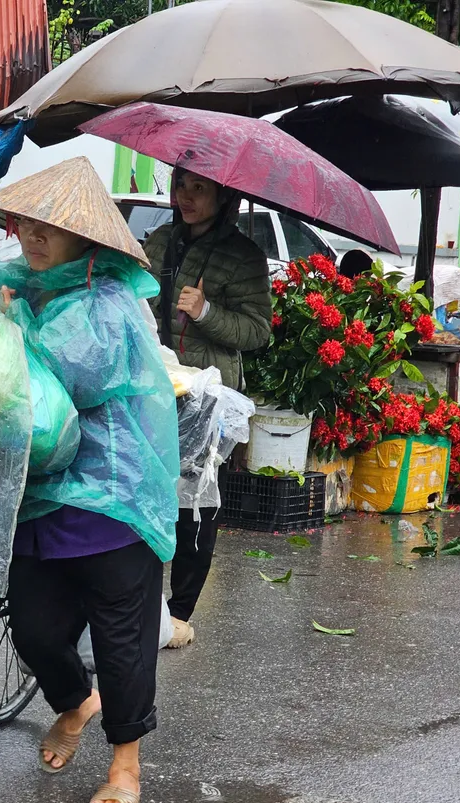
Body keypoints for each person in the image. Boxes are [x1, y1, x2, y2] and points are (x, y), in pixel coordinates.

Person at [0, 157, 180, 803]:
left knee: (121, 639)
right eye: (26, 223)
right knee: (32, 630)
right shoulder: (16, 285)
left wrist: (6, 329)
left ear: (85, 239)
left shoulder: (108, 302)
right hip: (41, 494)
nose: (32, 237)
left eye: (49, 228)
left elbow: (74, 377)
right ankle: (74, 701)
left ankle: (126, 764)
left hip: (112, 495)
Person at [142, 169, 273, 650]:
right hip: (153, 382)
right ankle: (142, 602)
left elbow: (258, 331)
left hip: (205, 397)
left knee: (194, 503)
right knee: (147, 491)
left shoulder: (244, 256)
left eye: (199, 188)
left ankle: (179, 612)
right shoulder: (159, 240)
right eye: (181, 186)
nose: (187, 197)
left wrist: (206, 313)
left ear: (223, 194)